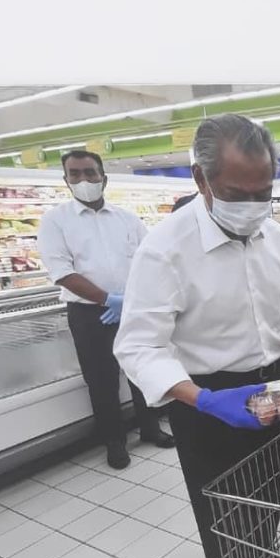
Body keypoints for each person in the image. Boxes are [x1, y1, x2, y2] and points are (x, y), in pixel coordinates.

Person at [114, 114, 280, 558]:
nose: (252, 204)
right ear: (201, 179)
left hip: (274, 384)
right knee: (222, 514)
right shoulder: (165, 249)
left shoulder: (276, 238)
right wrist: (204, 400)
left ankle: (265, 557)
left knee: (269, 493)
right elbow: (138, 348)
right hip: (205, 399)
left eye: (263, 192)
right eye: (236, 193)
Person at [37, 150, 174, 470]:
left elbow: (151, 259)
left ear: (104, 177)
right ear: (66, 180)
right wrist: (106, 299)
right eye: (75, 174)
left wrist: (134, 299)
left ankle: (151, 427)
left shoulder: (127, 218)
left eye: (90, 173)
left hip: (134, 308)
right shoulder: (55, 221)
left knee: (142, 369)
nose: (83, 180)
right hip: (90, 314)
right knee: (101, 380)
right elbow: (63, 272)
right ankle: (114, 441)